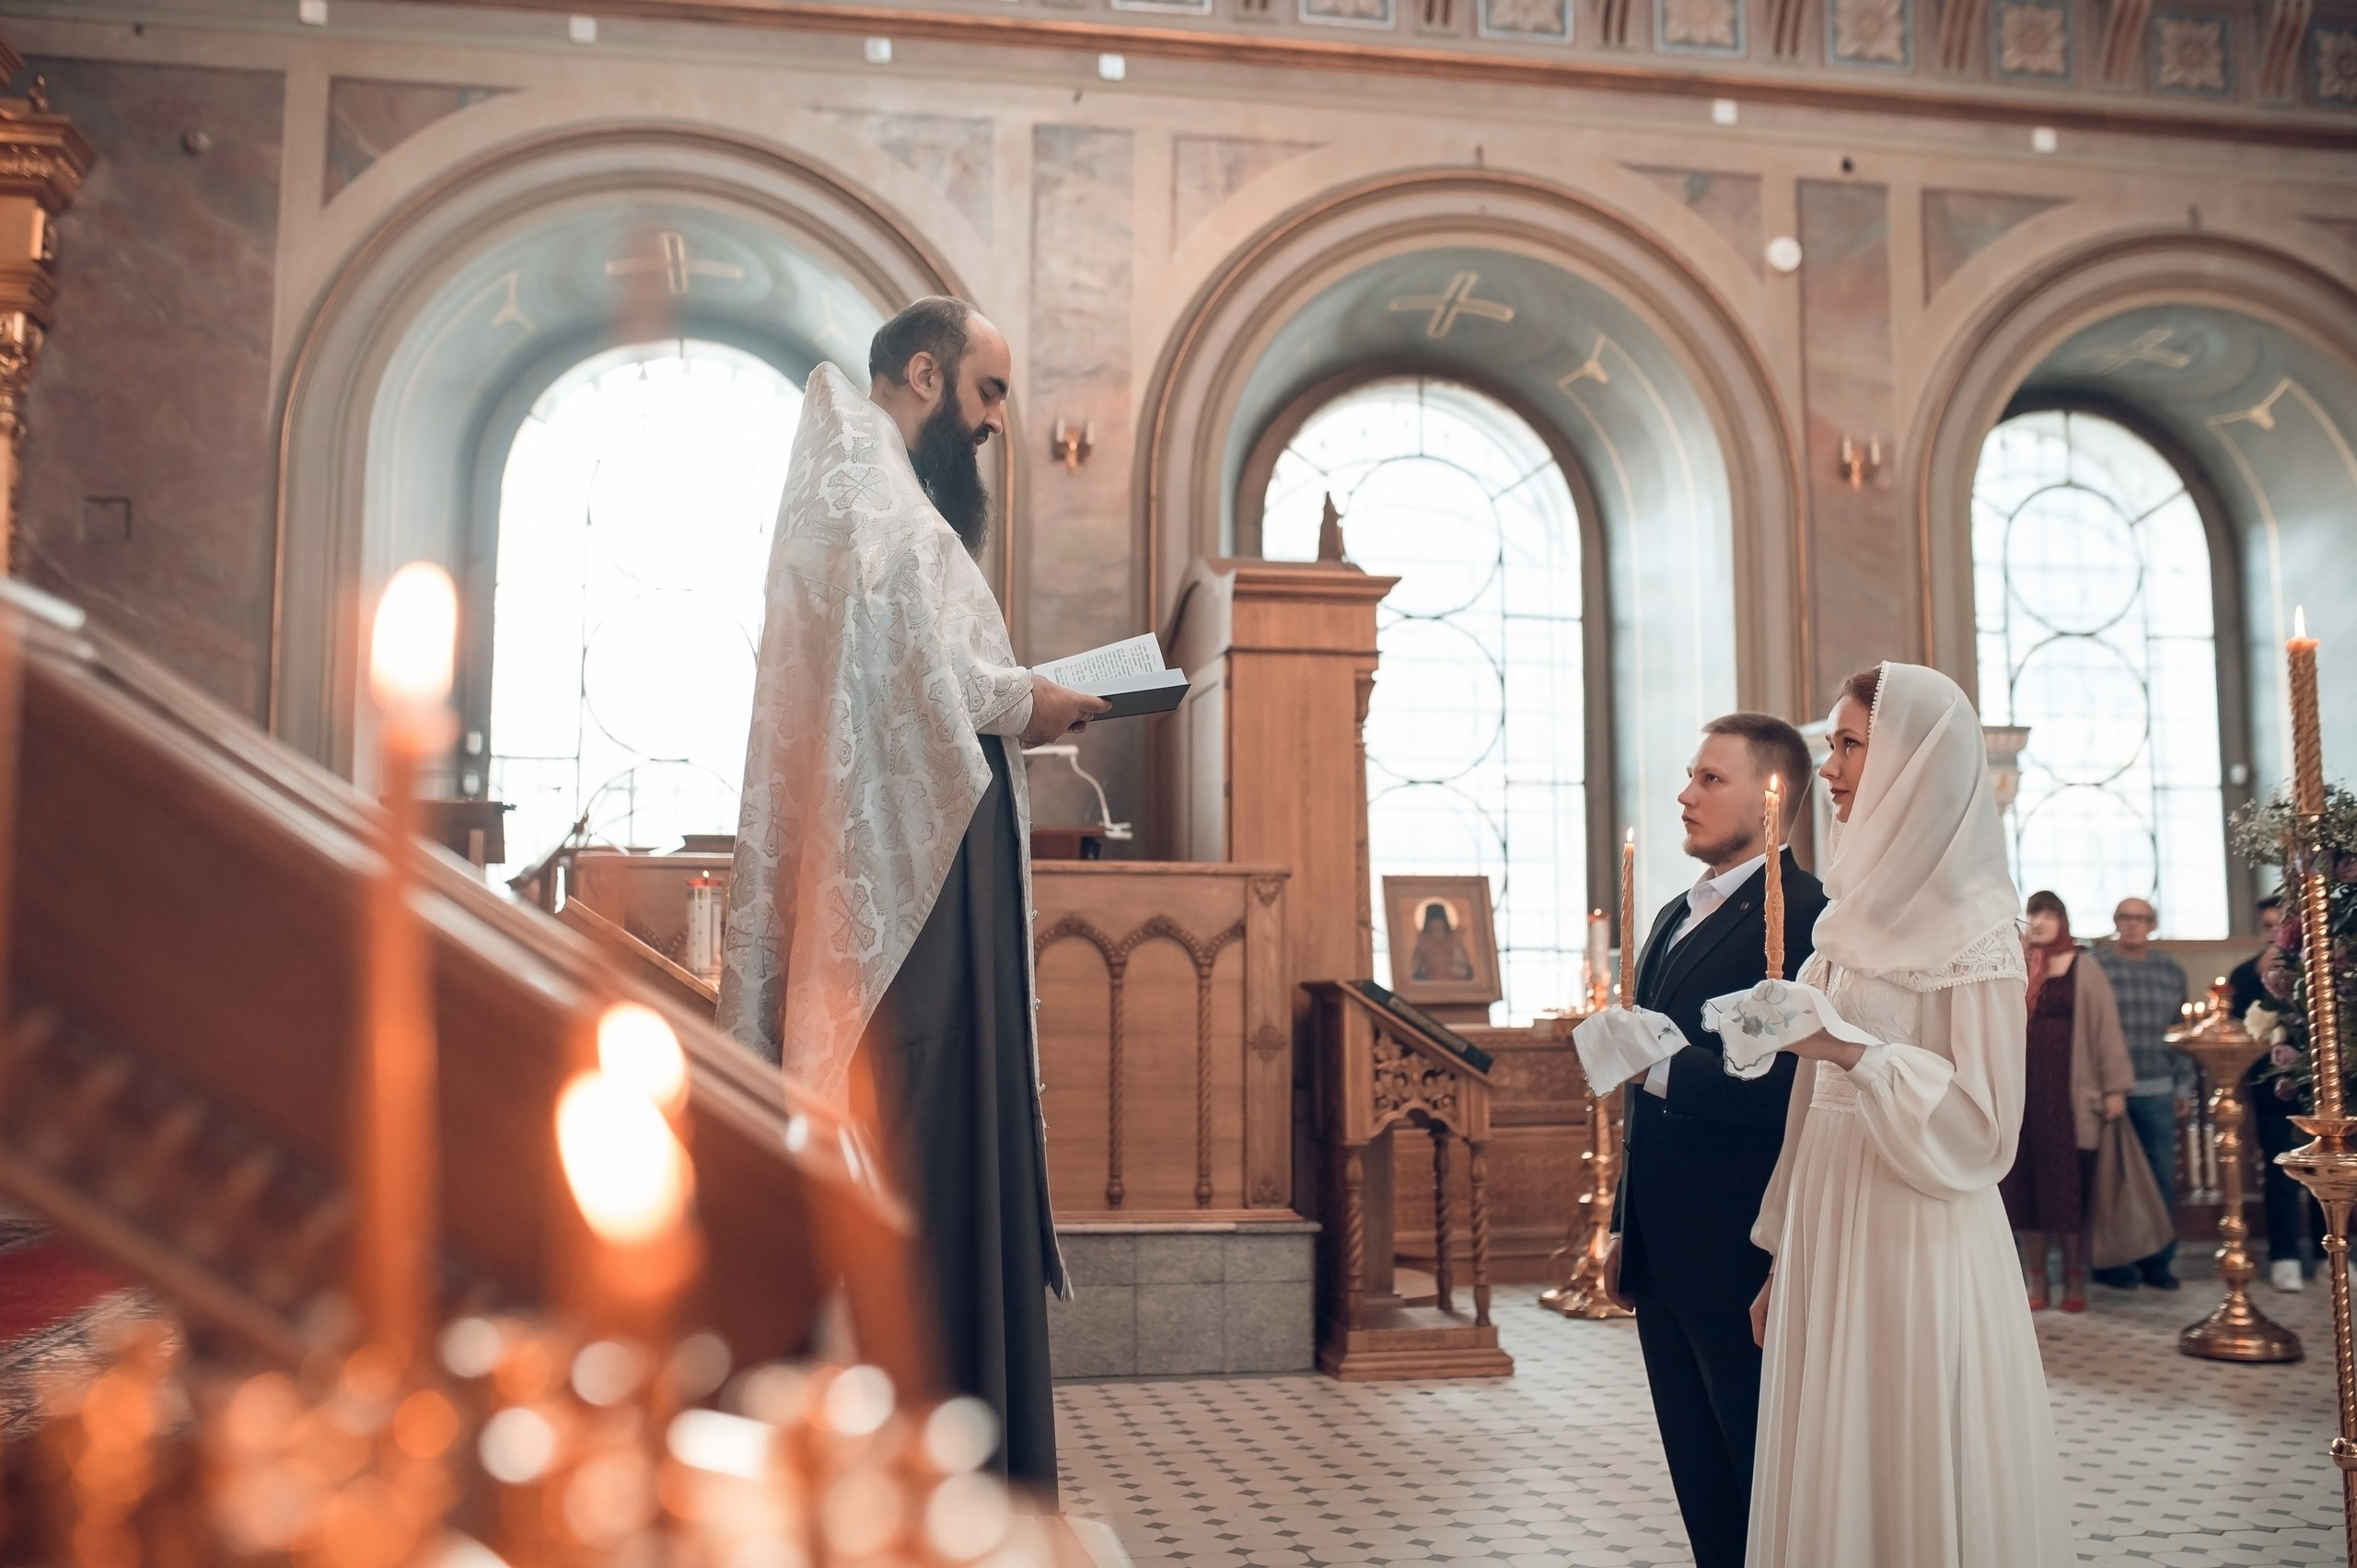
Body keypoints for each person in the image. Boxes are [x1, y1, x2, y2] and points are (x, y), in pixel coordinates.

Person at [717, 297, 1108, 1494]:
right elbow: (913, 662)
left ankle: (955, 1458)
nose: (997, 423)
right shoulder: (861, 482)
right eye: (989, 393)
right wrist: (1022, 700)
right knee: (923, 1167)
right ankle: (928, 1469)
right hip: (909, 905)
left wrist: (1012, 697)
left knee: (948, 1162)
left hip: (931, 869)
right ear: (925, 372)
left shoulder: (870, 482)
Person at [1727, 662, 2076, 1567]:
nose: (1828, 766)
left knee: (1907, 1448)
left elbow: (1982, 1125)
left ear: (1915, 762)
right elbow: (1809, 1102)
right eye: (1830, 743)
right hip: (1831, 1220)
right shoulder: (1845, 916)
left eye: (1848, 744)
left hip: (1917, 1227)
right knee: (1830, 1456)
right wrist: (1779, 1251)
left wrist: (1851, 1050)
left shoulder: (1975, 921)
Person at [1577, 713, 1827, 1568]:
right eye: (1689, 774)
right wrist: (1621, 1223)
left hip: (1740, 1242)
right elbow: (1644, 1085)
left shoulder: (1810, 920)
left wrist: (1665, 1072)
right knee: (1697, 1469)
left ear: (1771, 797)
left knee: (1757, 1460)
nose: (1686, 793)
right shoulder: (1676, 912)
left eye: (1710, 779)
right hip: (1663, 1239)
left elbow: (1797, 1086)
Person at [2001, 890, 2133, 1311]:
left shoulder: (2083, 966)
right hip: (2024, 1100)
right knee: (2025, 1191)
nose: (2039, 920)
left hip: (2068, 1101)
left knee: (2068, 1192)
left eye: (2048, 913)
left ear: (2062, 920)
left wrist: (2114, 1088)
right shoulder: (2016, 966)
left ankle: (2074, 1280)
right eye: (2033, 912)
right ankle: (2036, 1279)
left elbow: (2105, 1029)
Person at [2089, 897, 2191, 1290]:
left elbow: (2180, 1031)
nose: (2134, 924)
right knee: (2112, 1180)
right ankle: (2114, 1259)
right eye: (2126, 918)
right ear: (2116, 922)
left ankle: (2158, 1260)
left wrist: (2182, 1084)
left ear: (2152, 924)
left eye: (2142, 919)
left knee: (2159, 1178)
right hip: (2110, 1090)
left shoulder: (2169, 970)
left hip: (2157, 1088)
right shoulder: (2098, 965)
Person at [2232, 895, 2321, 1291]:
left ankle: (2326, 1254)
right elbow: (2240, 1028)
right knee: (2279, 1172)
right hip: (2273, 1090)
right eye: (2268, 927)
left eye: (2280, 926)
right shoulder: (2247, 973)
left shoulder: (2319, 965)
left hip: (2320, 1087)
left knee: (2325, 1172)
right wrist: (2259, 976)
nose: (2275, 935)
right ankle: (2284, 1254)